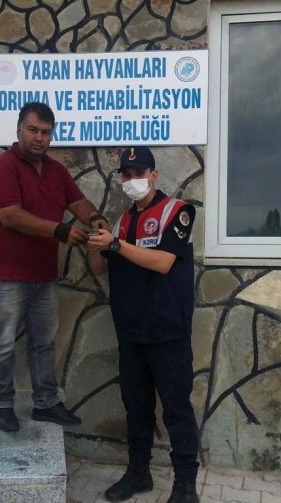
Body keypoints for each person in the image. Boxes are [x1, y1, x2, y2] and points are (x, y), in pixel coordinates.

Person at [0, 101, 109, 433]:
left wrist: (95, 218)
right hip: (5, 276)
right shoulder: (2, 168)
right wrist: (60, 230)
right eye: (33, 130)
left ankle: (46, 403)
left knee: (44, 342)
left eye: (46, 132)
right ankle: (3, 405)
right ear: (19, 130)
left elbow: (78, 202)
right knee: (3, 343)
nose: (39, 137)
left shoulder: (56, 171)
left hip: (42, 275)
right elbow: (10, 217)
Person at [86, 146, 200, 503]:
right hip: (131, 332)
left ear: (154, 175)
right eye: (127, 174)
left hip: (167, 332)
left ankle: (185, 486)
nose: (133, 180)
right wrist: (93, 242)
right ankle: (139, 474)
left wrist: (116, 245)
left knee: (176, 410)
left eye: (140, 173)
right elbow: (100, 269)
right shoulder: (121, 221)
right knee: (136, 408)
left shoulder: (178, 211)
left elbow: (164, 263)